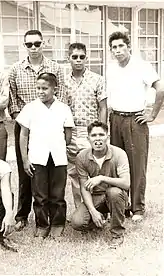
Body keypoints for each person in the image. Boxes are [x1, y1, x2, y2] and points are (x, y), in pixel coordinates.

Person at [8, 30, 67, 230]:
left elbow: (63, 94)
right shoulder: (15, 69)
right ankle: (23, 216)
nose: (33, 47)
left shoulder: (55, 68)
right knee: (28, 173)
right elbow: (12, 98)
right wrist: (24, 119)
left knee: (52, 173)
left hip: (52, 125)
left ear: (43, 44)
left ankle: (55, 218)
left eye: (37, 43)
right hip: (27, 122)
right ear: (24, 46)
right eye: (29, 44)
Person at [107, 31, 164, 222]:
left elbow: (161, 88)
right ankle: (122, 205)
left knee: (136, 165)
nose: (118, 50)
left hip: (135, 120)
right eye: (114, 47)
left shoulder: (141, 66)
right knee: (116, 164)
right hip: (115, 119)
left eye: (121, 46)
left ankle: (138, 208)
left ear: (129, 46)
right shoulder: (111, 69)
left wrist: (152, 114)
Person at [16, 73, 74, 238]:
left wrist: (57, 145)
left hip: (58, 157)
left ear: (54, 88)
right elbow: (23, 135)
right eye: (38, 88)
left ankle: (57, 223)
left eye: (45, 88)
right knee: (40, 194)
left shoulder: (63, 108)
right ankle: (42, 224)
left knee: (57, 194)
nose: (40, 91)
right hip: (37, 157)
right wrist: (25, 160)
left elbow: (68, 134)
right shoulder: (30, 108)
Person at [71, 121, 130, 248]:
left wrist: (102, 178)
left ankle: (117, 234)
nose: (98, 139)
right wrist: (92, 211)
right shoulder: (82, 157)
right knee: (77, 222)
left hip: (117, 196)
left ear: (107, 137)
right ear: (88, 139)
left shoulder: (119, 153)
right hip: (96, 196)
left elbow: (126, 183)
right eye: (93, 135)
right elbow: (83, 187)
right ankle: (99, 217)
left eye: (101, 135)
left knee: (114, 192)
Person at [65, 42, 107, 209]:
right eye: (74, 57)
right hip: (71, 131)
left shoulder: (97, 79)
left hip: (90, 131)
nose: (78, 60)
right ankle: (79, 210)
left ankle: (100, 208)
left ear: (86, 58)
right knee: (74, 173)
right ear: (68, 58)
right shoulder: (63, 82)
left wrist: (100, 132)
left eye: (82, 57)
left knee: (94, 170)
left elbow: (103, 107)